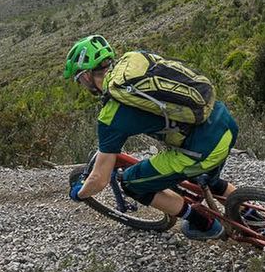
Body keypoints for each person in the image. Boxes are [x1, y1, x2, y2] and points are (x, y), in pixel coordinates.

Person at [64, 34, 239, 240]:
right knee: (205, 177)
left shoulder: (111, 115)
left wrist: (79, 194)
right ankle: (251, 214)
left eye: (79, 79)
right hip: (223, 121)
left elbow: (99, 180)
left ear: (86, 76)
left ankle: (205, 224)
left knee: (132, 184)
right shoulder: (135, 59)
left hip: (201, 149)